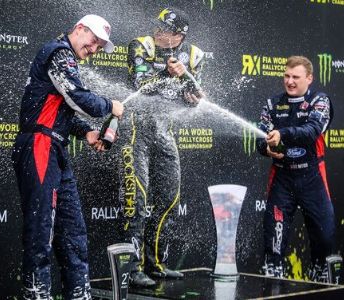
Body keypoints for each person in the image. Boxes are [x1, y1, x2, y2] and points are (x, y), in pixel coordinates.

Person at [12, 15, 124, 300]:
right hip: (39, 145)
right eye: (93, 40)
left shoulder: (68, 60)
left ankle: (79, 293)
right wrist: (110, 105)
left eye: (100, 46)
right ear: (79, 29)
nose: (94, 48)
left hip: (56, 149)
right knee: (41, 231)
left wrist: (86, 132)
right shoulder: (59, 53)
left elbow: (63, 109)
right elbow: (78, 97)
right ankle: (37, 295)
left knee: (73, 231)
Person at [121, 7, 205, 287]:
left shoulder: (194, 56)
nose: (158, 32)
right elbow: (140, 84)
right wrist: (168, 75)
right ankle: (132, 269)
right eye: (158, 26)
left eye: (165, 29)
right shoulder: (140, 45)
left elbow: (194, 98)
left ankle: (156, 263)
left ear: (179, 36)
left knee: (170, 197)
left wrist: (186, 78)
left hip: (165, 130)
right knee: (138, 200)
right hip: (136, 129)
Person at [257, 56, 336, 282]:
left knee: (325, 238)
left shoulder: (320, 101)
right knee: (273, 241)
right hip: (282, 178)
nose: (289, 81)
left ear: (309, 78)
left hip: (312, 178)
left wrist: (284, 134)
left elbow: (312, 131)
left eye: (296, 77)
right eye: (286, 76)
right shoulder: (272, 104)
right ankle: (272, 282)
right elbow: (259, 139)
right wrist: (266, 148)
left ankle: (323, 282)